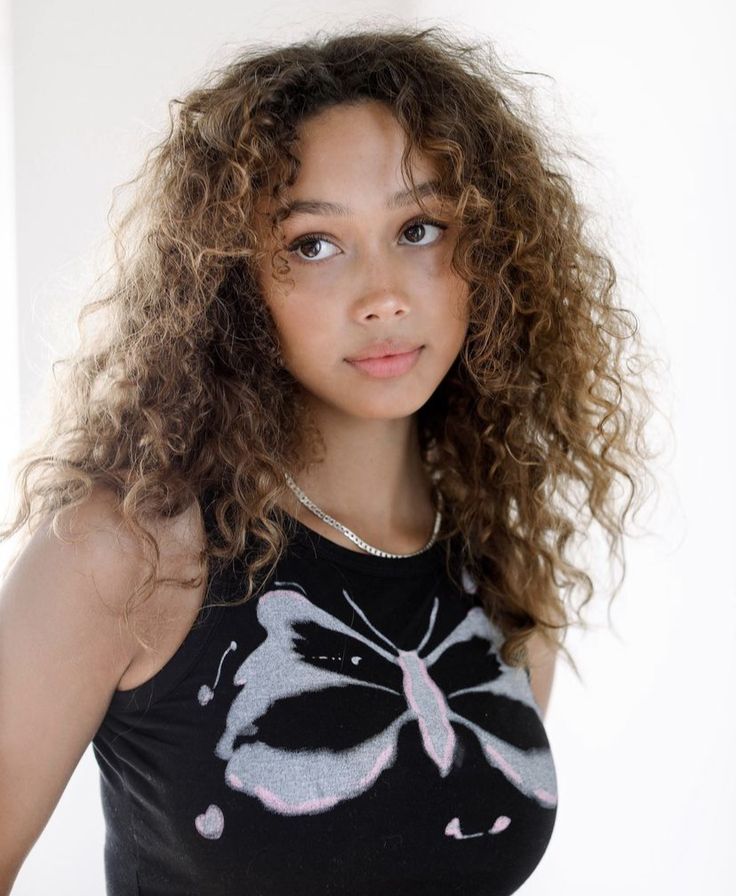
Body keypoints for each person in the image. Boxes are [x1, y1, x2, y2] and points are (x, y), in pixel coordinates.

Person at [0, 24, 660, 896]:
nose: (383, 295)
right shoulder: (128, 555)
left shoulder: (500, 576)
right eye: (314, 244)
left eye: (420, 228)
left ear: (490, 254)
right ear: (237, 280)